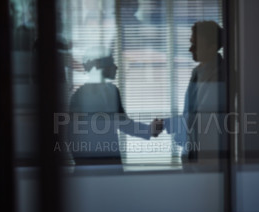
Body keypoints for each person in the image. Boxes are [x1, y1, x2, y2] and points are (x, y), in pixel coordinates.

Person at [69, 48, 162, 164]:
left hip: (112, 162)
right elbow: (70, 137)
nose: (116, 67)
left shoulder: (113, 91)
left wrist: (149, 130)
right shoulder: (79, 97)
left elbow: (124, 124)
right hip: (90, 167)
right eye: (111, 62)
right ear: (98, 65)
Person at [156, 21, 226, 170]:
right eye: (191, 43)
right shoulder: (198, 72)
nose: (190, 49)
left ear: (212, 48)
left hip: (209, 154)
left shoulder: (222, 76)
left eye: (196, 45)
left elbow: (203, 119)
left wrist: (166, 124)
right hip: (192, 151)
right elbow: (191, 114)